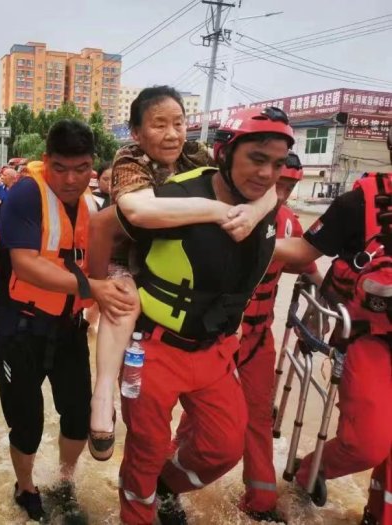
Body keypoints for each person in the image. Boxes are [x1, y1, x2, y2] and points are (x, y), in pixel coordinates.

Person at [95, 106, 295, 525]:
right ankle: (139, 506)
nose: (266, 173)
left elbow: (273, 199)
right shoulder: (172, 197)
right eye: (257, 159)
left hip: (215, 352)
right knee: (146, 449)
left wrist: (261, 206)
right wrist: (99, 287)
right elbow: (104, 228)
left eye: (277, 164)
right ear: (225, 153)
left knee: (224, 447)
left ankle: (164, 489)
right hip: (153, 349)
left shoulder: (267, 201)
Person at [0, 120, 136, 521]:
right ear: (46, 161)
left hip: (69, 328)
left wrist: (108, 295)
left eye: (81, 168)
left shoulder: (94, 206)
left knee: (76, 415)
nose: (71, 179)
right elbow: (27, 265)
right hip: (21, 326)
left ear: (93, 167)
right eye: (60, 168)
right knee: (27, 421)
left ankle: (65, 480)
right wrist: (93, 290)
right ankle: (26, 486)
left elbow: (111, 260)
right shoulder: (24, 195)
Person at [274, 126, 392, 525]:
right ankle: (309, 472)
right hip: (369, 339)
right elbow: (306, 252)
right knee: (367, 445)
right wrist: (244, 239)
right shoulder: (358, 202)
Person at [234, 151, 321, 523]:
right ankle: (172, 479)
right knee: (204, 419)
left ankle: (261, 502)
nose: (281, 193)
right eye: (277, 184)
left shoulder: (288, 224)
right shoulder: (227, 213)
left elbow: (311, 267)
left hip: (256, 339)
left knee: (257, 416)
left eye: (288, 186)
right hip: (216, 339)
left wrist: (321, 309)